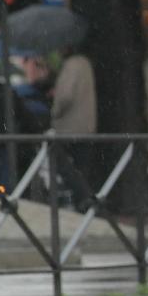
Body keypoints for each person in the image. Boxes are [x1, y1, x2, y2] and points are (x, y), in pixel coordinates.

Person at [52, 45, 98, 209]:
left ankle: (85, 197)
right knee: (81, 165)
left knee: (61, 161)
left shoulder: (71, 66)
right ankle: (85, 202)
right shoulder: (85, 64)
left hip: (70, 126)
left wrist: (55, 110)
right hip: (87, 125)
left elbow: (65, 96)